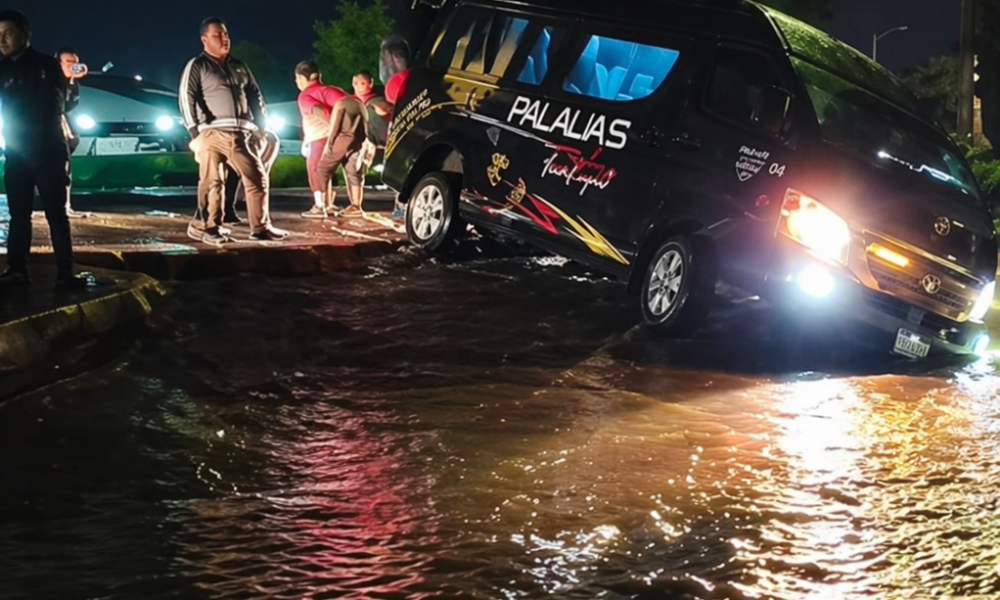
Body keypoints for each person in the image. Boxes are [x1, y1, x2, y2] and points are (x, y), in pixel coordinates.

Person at [179, 16, 287, 244]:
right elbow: (186, 97)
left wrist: (262, 127)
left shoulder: (239, 66)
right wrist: (195, 134)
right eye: (218, 34)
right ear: (204, 39)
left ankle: (260, 227)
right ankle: (210, 228)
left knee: (257, 179)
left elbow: (255, 96)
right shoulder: (197, 65)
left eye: (226, 34)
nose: (224, 38)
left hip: (242, 135)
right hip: (212, 133)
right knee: (212, 181)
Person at [0, 10, 87, 289]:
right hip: (16, 152)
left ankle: (65, 272)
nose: (2, 39)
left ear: (25, 35)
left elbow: (66, 105)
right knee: (19, 214)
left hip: (47, 150)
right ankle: (17, 269)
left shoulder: (48, 66)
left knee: (56, 214)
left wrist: (73, 84)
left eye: (8, 33)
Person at [295, 60, 348, 218]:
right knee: (327, 171)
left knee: (315, 169)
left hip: (319, 137)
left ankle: (319, 206)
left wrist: (332, 129)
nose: (297, 83)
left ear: (303, 78)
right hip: (342, 138)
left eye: (297, 79)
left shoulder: (305, 95)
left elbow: (322, 112)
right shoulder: (333, 91)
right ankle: (329, 205)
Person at [315, 94, 369, 218]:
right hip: (358, 142)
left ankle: (322, 205)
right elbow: (367, 128)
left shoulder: (341, 104)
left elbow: (335, 128)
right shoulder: (361, 105)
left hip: (342, 140)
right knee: (354, 172)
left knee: (323, 168)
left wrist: (329, 145)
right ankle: (356, 206)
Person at [56, 46, 88, 218]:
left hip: (67, 133)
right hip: (50, 131)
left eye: (75, 63)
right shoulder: (50, 81)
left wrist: (71, 81)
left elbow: (70, 106)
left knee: (66, 169)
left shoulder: (72, 84)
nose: (73, 66)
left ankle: (66, 206)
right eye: (69, 63)